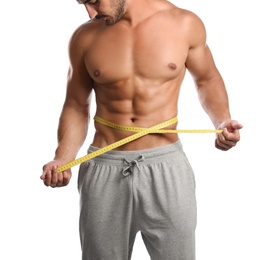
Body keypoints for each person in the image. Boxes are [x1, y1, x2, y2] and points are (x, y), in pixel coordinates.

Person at [40, 0, 243, 259]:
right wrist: (64, 157)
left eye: (93, 1)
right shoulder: (85, 36)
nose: (91, 12)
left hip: (166, 166)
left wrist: (222, 121)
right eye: (83, 3)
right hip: (103, 166)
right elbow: (76, 104)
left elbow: (207, 78)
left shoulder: (184, 23)